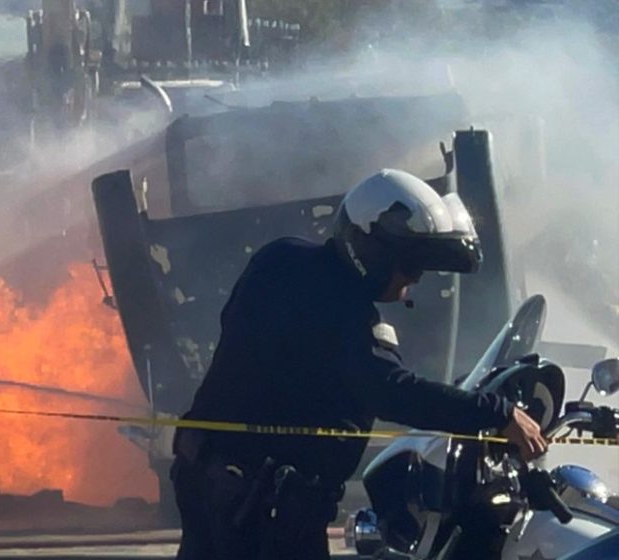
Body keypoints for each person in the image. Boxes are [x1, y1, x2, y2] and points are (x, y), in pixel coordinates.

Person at [171, 169, 548, 560]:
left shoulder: (279, 259)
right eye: (409, 266)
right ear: (375, 253)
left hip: (206, 478)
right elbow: (393, 392)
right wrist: (497, 413)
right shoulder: (342, 310)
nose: (414, 280)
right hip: (263, 509)